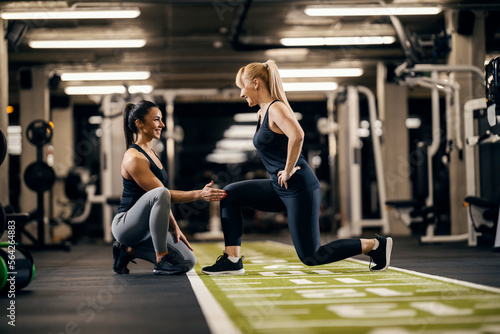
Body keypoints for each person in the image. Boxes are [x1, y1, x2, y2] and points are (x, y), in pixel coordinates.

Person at [202, 60, 393, 275]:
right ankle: (232, 260)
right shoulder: (261, 112)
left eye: (242, 87)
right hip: (279, 187)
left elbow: (298, 135)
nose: (241, 94)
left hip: (300, 189)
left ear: (255, 83)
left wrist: (289, 167)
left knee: (312, 256)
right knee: (229, 194)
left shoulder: (276, 108)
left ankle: (375, 246)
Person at [112, 100, 226, 275]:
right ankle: (161, 259)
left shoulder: (151, 154)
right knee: (161, 192)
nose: (162, 125)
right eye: (157, 119)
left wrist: (175, 228)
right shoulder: (134, 157)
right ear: (139, 123)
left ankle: (127, 251)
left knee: (188, 261)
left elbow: (161, 200)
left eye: (161, 119)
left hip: (146, 228)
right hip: (127, 226)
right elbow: (160, 194)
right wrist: (199, 194)